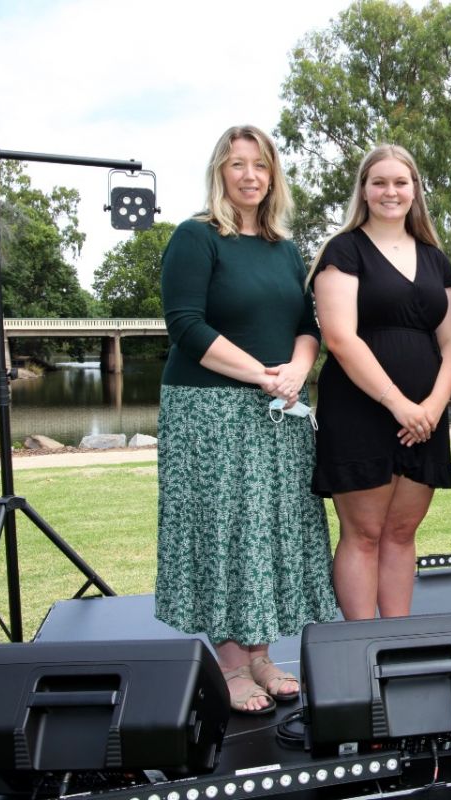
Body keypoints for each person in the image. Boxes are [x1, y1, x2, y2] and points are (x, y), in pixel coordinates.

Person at [155, 125, 337, 714]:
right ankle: (230, 663)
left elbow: (308, 325)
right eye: (238, 165)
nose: (250, 176)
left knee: (266, 530)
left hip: (277, 410)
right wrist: (262, 374)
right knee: (224, 528)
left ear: (273, 175)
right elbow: (185, 325)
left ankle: (260, 654)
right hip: (209, 411)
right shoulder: (196, 237)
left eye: (260, 165)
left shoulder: (286, 249)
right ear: (219, 172)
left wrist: (296, 372)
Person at [310, 144, 451, 620]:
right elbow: (339, 337)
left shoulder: (437, 260)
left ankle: (397, 638)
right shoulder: (344, 250)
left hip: (426, 417)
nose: (390, 191)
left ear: (415, 190)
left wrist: (432, 408)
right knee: (365, 534)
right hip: (362, 411)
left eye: (401, 182)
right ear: (363, 190)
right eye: (379, 182)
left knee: (401, 533)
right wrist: (400, 405)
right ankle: (361, 648)